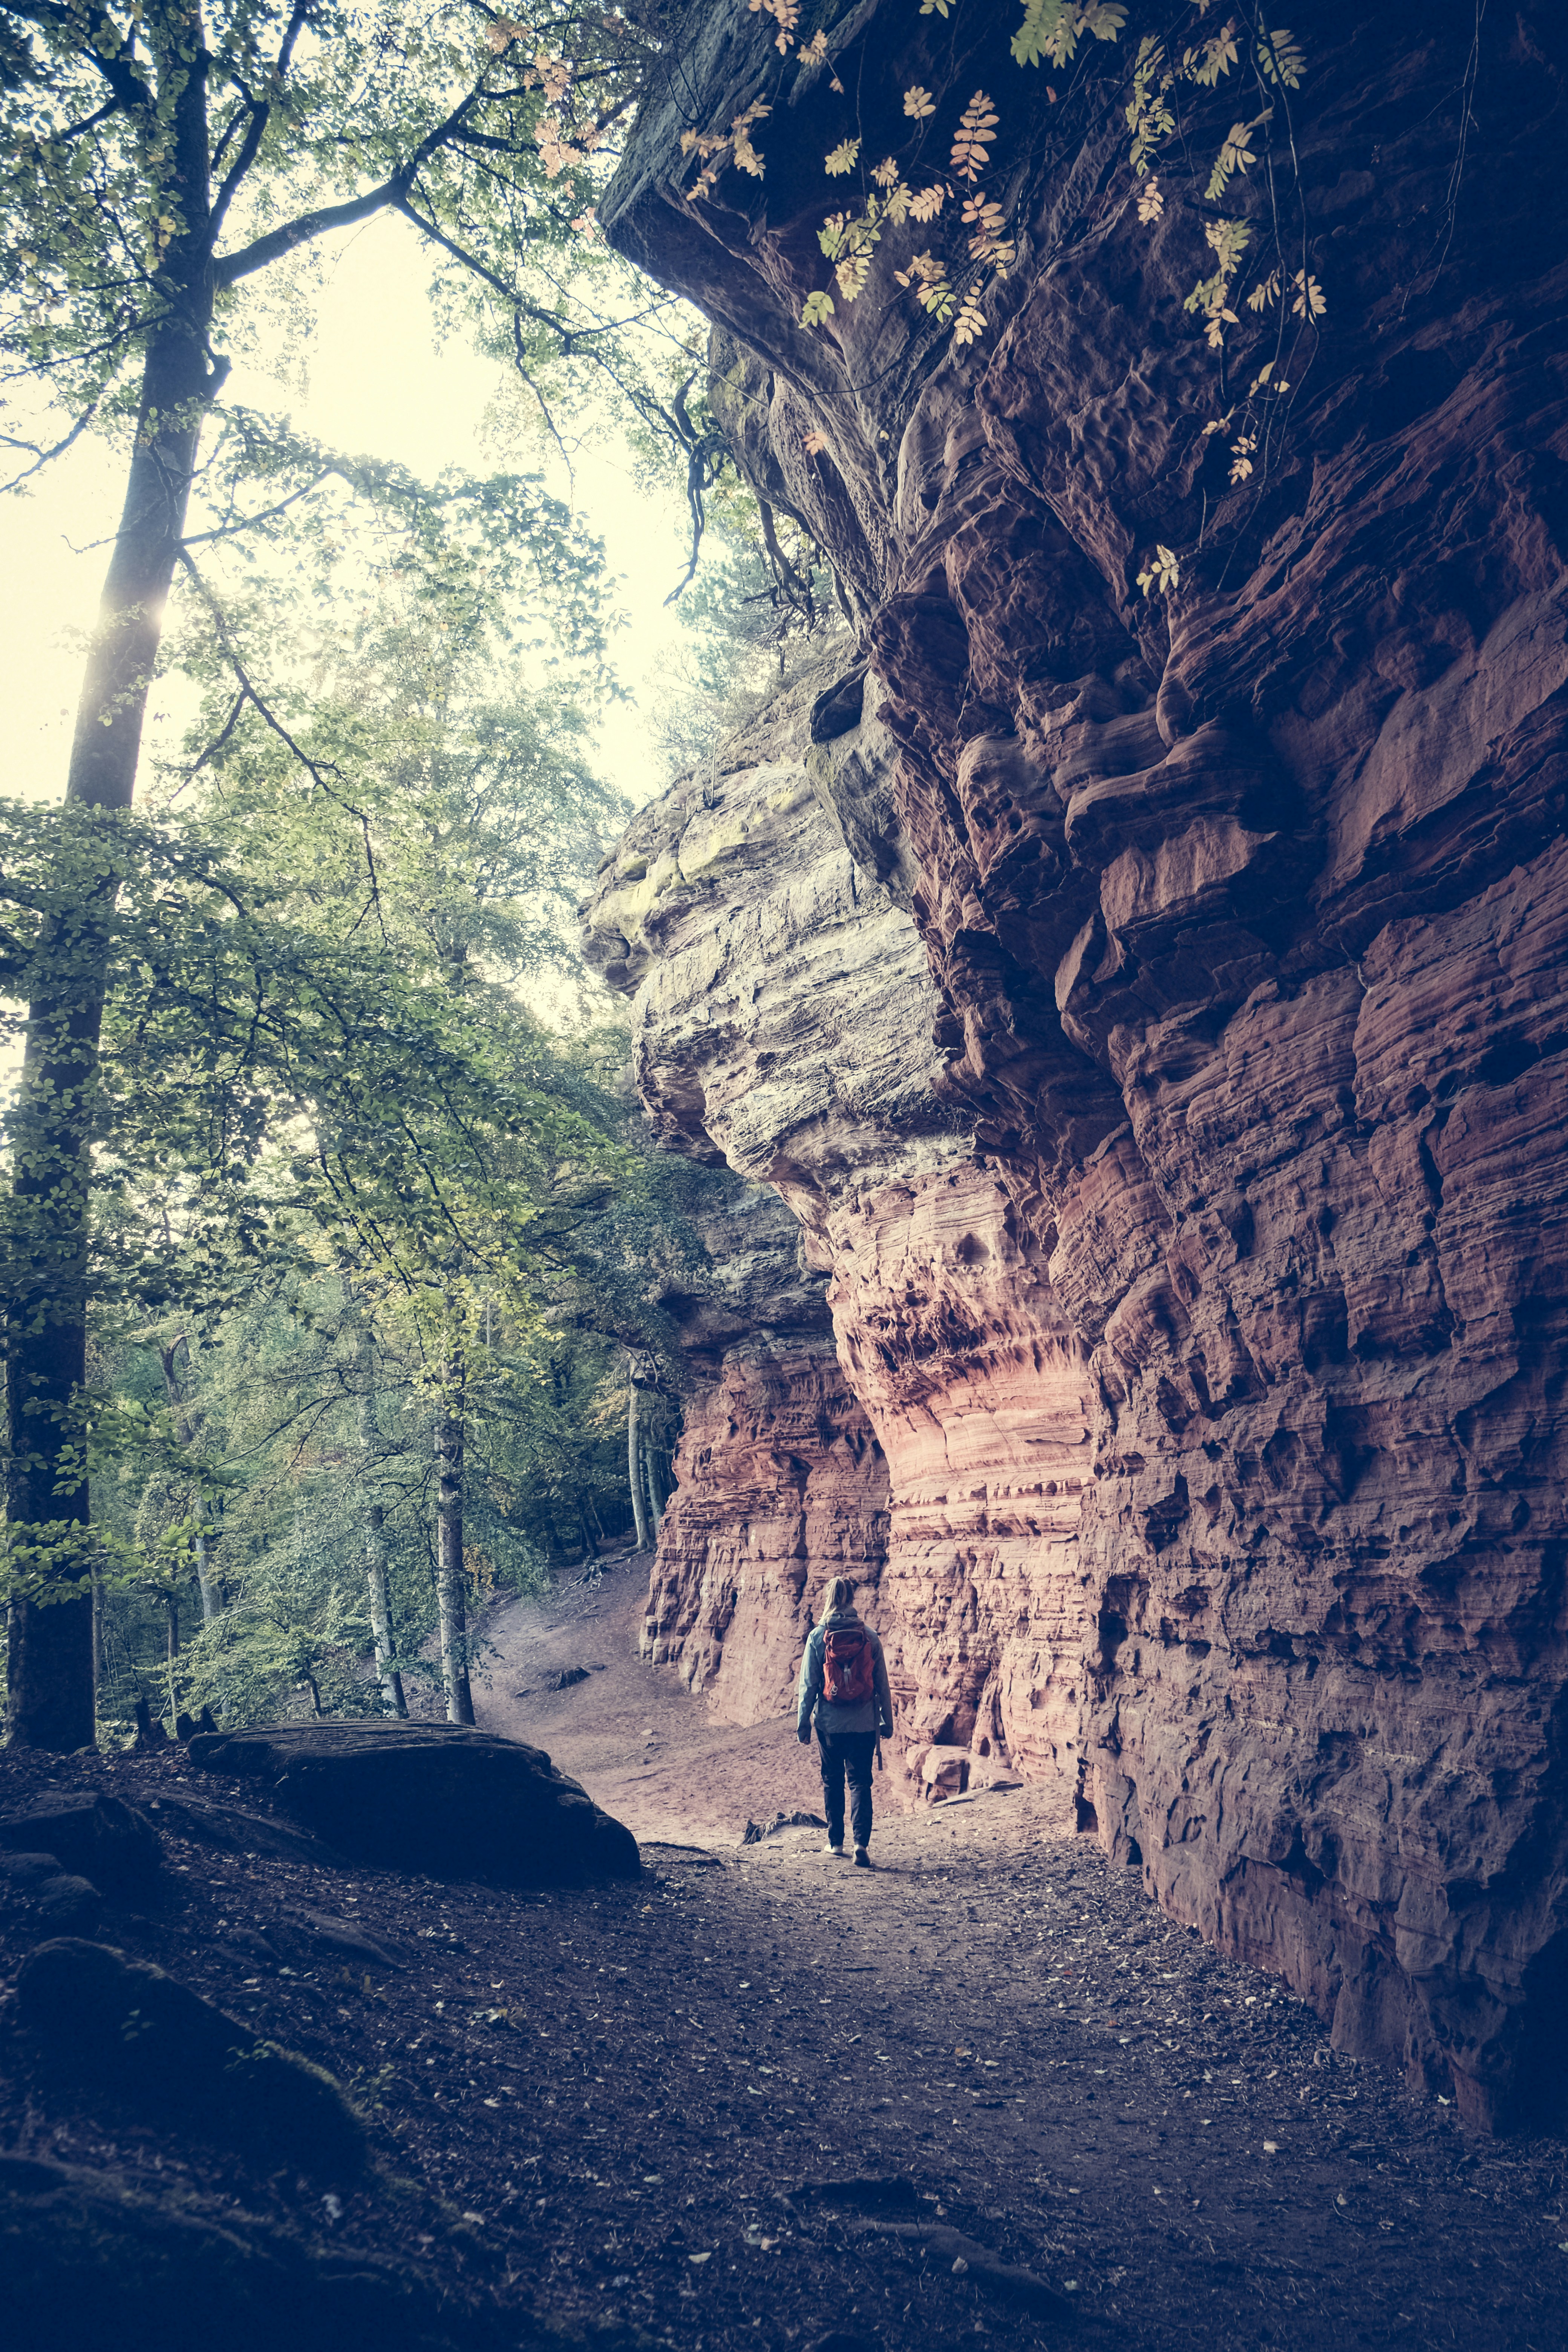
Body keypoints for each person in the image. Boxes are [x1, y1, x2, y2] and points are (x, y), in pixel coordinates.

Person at [796, 1576, 894, 1868]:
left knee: (833, 1781)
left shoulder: (818, 1637)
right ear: (852, 1598)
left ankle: (836, 1843)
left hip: (830, 1725)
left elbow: (809, 1686)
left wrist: (804, 1724)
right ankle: (861, 1843)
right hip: (864, 1723)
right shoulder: (870, 1636)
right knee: (861, 1782)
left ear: (829, 1598)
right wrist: (886, 1721)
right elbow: (882, 1684)